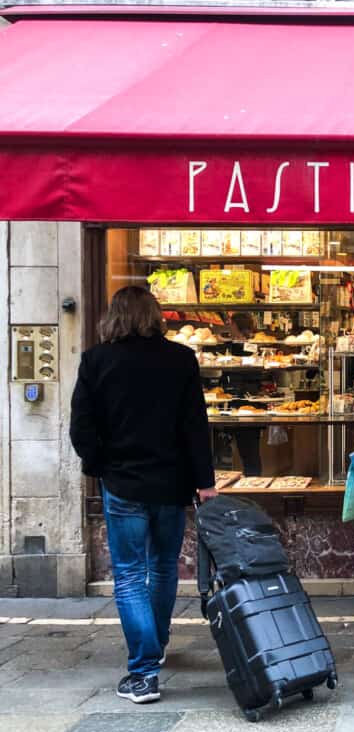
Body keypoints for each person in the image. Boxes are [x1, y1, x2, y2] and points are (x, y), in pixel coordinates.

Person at [70, 286, 217, 705]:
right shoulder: (180, 359)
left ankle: (144, 671)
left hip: (123, 485)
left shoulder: (97, 360)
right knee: (164, 567)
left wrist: (101, 467)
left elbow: (81, 426)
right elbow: (194, 427)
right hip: (171, 485)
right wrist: (204, 481)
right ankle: (156, 644)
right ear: (154, 315)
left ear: (113, 316)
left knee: (131, 575)